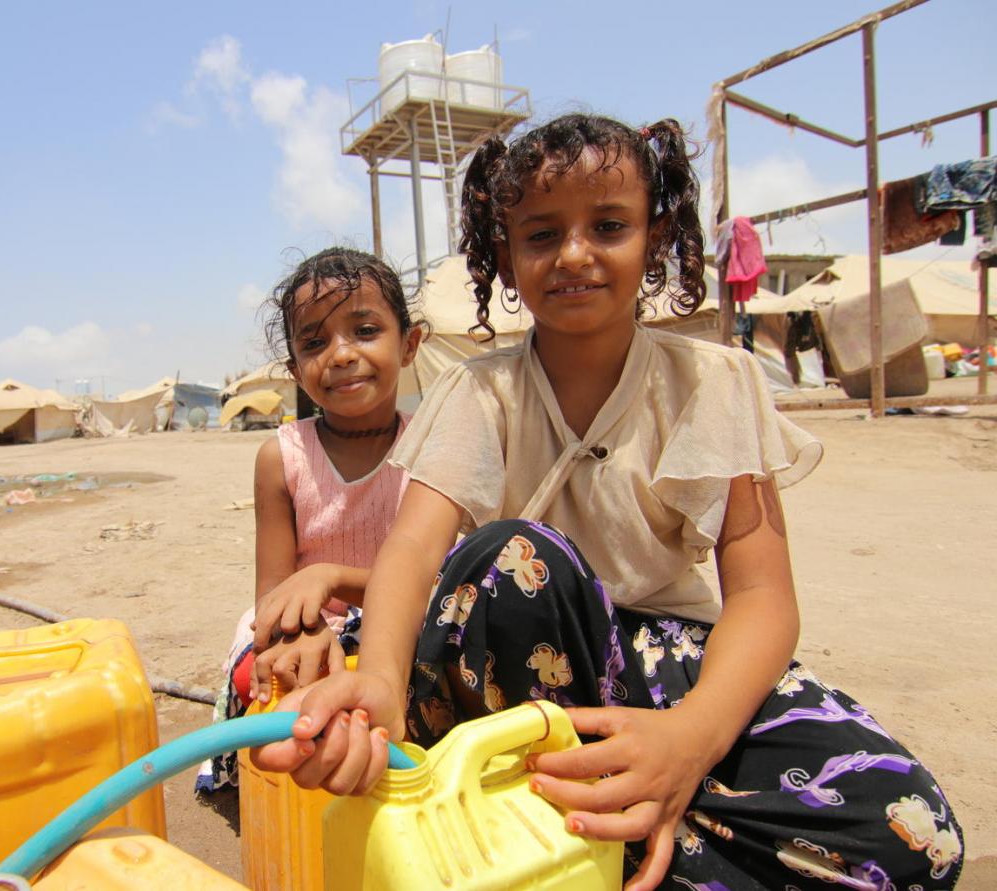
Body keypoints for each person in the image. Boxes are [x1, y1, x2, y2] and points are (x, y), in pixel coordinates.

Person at [253, 114, 962, 888]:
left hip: (667, 665)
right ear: (504, 256)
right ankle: (596, 826)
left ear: (655, 238)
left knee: (913, 836)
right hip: (514, 672)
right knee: (516, 556)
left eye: (609, 225)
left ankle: (613, 828)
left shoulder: (716, 383)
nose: (575, 255)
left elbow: (762, 597)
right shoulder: (478, 392)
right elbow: (414, 552)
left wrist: (688, 740)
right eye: (541, 234)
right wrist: (384, 682)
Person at [193, 247, 423, 793]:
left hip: (398, 624)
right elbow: (272, 594)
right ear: (296, 369)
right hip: (302, 628)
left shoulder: (430, 448)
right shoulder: (282, 457)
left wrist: (335, 578)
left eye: (365, 330)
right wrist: (304, 634)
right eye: (315, 342)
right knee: (281, 679)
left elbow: (436, 590)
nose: (341, 355)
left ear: (409, 344)